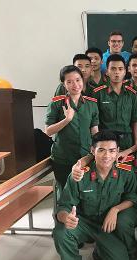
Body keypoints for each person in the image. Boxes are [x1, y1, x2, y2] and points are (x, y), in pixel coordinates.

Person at [53, 130, 136, 260]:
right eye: (101, 150)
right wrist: (66, 218)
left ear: (117, 151)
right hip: (83, 222)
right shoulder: (79, 175)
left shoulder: (125, 172)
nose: (107, 155)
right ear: (92, 150)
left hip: (107, 226)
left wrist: (115, 210)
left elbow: (131, 198)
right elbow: (64, 206)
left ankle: (100, 250)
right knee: (61, 233)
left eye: (111, 151)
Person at [45, 65, 99, 194]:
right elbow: (48, 131)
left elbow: (95, 131)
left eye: (77, 80)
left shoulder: (91, 104)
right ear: (64, 84)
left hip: (85, 157)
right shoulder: (56, 103)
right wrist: (66, 120)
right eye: (69, 82)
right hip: (63, 157)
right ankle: (59, 214)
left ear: (82, 80)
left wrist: (97, 151)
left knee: (84, 193)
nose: (75, 85)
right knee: (65, 193)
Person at [92, 54, 137, 150]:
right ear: (107, 72)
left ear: (125, 71)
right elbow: (94, 122)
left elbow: (135, 119)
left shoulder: (131, 93)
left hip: (126, 141)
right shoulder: (98, 93)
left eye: (120, 69)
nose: (117, 72)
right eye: (113, 69)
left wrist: (136, 142)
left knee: (126, 165)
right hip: (105, 142)